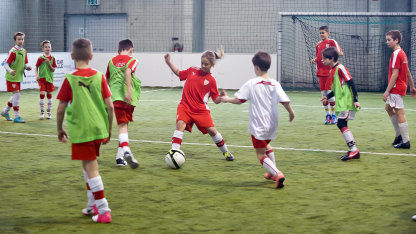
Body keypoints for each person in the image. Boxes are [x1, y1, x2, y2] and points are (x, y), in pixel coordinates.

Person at [56, 38, 113, 223]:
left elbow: (61, 108)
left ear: (72, 56)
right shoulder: (99, 76)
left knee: (92, 168)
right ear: (91, 56)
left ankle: (104, 211)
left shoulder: (70, 78)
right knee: (87, 167)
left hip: (82, 131)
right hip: (98, 128)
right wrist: (109, 129)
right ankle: (92, 205)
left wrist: (59, 129)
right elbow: (110, 106)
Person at [220, 51, 294, 188]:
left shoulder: (252, 83)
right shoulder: (275, 83)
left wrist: (226, 99)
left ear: (257, 68)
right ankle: (272, 173)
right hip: (272, 124)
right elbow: (285, 101)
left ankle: (277, 173)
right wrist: (291, 113)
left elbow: (239, 100)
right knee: (266, 145)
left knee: (260, 154)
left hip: (259, 124)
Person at [164, 47, 234, 161]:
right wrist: (168, 62)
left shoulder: (211, 81)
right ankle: (174, 152)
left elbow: (215, 100)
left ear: (212, 64)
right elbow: (178, 73)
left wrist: (221, 97)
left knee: (212, 131)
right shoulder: (192, 70)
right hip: (185, 106)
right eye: (202, 63)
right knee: (180, 124)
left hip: (200, 110)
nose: (203, 66)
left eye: (206, 64)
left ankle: (226, 152)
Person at [106, 39, 141, 168]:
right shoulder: (133, 60)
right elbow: (128, 72)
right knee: (123, 125)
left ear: (118, 50)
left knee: (123, 125)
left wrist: (108, 94)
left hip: (116, 98)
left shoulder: (111, 61)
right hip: (128, 99)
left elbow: (107, 79)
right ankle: (125, 151)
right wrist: (128, 92)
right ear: (131, 50)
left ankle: (120, 157)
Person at [321, 47, 360, 161]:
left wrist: (355, 100)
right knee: (341, 124)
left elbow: (351, 83)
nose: (322, 61)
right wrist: (327, 97)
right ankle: (353, 150)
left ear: (331, 58)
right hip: (342, 102)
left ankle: (354, 150)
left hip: (346, 102)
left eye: (324, 59)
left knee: (341, 123)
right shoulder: (332, 70)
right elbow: (336, 89)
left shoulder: (340, 68)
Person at [383, 30, 416, 149]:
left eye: (389, 40)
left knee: (399, 112)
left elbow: (395, 74)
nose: (387, 42)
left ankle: (405, 141)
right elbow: (407, 71)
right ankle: (399, 136)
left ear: (396, 40)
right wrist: (412, 86)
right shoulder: (402, 53)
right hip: (400, 86)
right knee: (388, 108)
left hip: (396, 87)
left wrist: (387, 91)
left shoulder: (397, 54)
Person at [311, 26, 343, 125]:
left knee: (330, 95)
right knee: (324, 96)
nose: (321, 34)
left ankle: (334, 115)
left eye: (323, 32)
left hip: (330, 73)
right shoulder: (318, 45)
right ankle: (327, 115)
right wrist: (315, 60)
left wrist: (331, 55)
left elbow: (340, 53)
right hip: (321, 73)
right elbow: (318, 57)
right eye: (320, 33)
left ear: (328, 33)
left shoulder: (332, 42)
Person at [1, 32, 32, 123]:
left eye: (22, 39)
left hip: (18, 77)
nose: (20, 41)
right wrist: (10, 71)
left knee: (15, 96)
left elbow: (24, 63)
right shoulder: (13, 52)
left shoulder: (24, 51)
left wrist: (27, 67)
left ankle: (5, 112)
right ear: (15, 41)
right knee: (17, 95)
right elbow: (5, 64)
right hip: (11, 77)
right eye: (18, 39)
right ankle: (17, 116)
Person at [35, 40, 57, 119]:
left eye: (49, 47)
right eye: (46, 47)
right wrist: (37, 75)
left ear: (51, 48)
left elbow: (53, 70)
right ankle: (42, 112)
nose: (47, 48)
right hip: (42, 79)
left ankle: (48, 112)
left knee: (49, 96)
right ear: (43, 49)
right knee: (42, 94)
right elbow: (36, 67)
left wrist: (48, 64)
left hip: (49, 79)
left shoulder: (52, 58)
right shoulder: (40, 58)